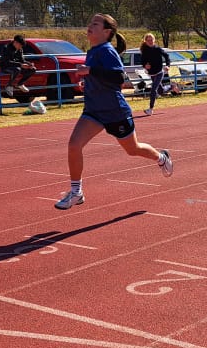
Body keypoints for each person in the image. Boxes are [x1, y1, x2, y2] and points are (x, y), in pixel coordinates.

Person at [55, 14, 172, 209]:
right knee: (74, 145)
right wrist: (88, 81)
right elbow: (101, 77)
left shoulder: (107, 51)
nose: (89, 26)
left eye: (95, 24)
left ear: (107, 32)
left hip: (114, 112)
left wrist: (90, 72)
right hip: (94, 110)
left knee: (132, 149)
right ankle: (76, 192)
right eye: (90, 22)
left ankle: (161, 158)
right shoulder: (92, 51)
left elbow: (118, 78)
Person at [139, 32, 168, 116]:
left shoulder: (157, 49)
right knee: (161, 91)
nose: (150, 41)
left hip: (159, 72)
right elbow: (143, 61)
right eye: (148, 40)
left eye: (151, 40)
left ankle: (150, 109)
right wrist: (145, 65)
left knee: (153, 90)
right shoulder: (144, 50)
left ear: (154, 40)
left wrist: (167, 65)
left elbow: (166, 56)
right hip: (152, 74)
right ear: (145, 41)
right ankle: (172, 86)